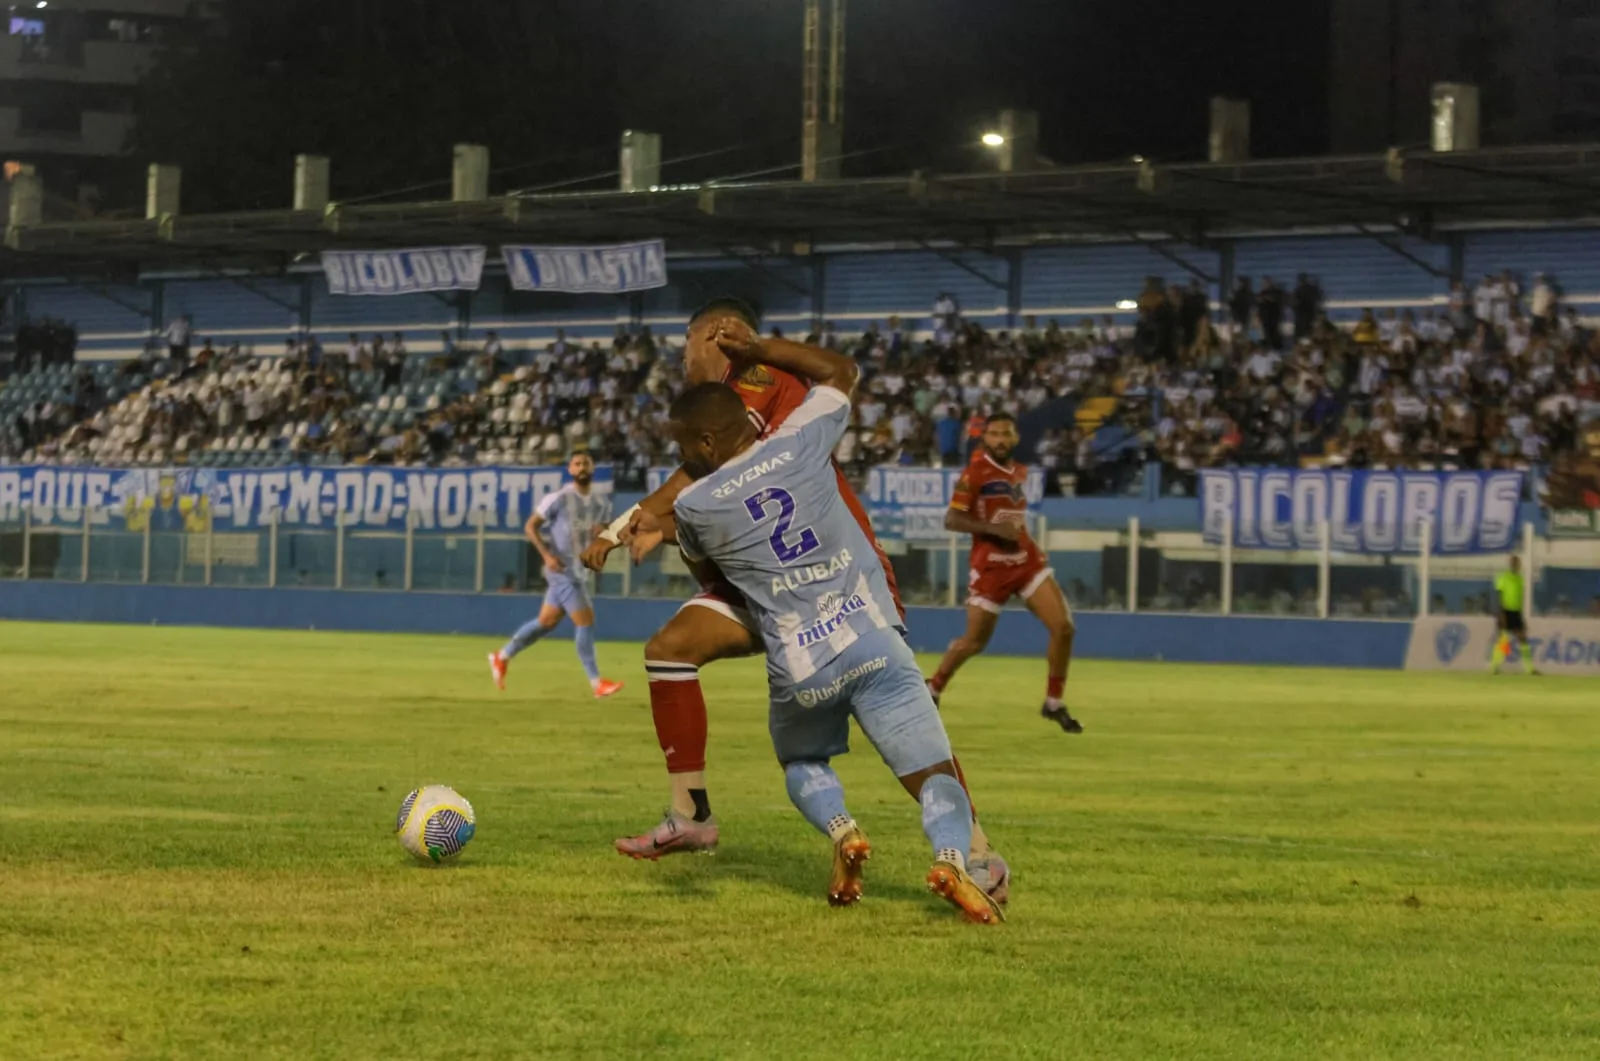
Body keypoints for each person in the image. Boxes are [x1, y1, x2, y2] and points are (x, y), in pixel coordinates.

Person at [583, 298, 1008, 902]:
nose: (681, 360)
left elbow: (700, 479)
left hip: (827, 580)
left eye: (686, 345)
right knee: (670, 651)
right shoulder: (747, 414)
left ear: (714, 334)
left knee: (885, 732)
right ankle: (692, 816)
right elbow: (831, 384)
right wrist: (652, 523)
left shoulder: (754, 379)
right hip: (771, 581)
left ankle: (977, 851)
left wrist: (626, 525)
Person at [926, 413, 1083, 732]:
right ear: (985, 438)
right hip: (990, 568)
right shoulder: (975, 473)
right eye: (994, 434)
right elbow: (952, 520)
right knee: (973, 642)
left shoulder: (1018, 471)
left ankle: (1053, 702)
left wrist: (1028, 542)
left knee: (1064, 627)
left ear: (1015, 438)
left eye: (1005, 434)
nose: (1000, 439)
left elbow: (1012, 519)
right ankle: (934, 688)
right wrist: (992, 529)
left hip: (1026, 562)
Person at [488, 451, 624, 698]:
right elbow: (530, 526)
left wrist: (602, 537)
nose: (581, 467)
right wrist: (547, 556)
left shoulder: (601, 503)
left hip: (580, 571)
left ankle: (502, 656)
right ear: (570, 470)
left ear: (592, 468)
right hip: (562, 570)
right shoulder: (558, 498)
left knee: (546, 622)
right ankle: (597, 684)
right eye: (576, 463)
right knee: (586, 621)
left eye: (586, 463)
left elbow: (603, 534)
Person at [1489, 554, 1538, 676]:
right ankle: (1494, 666)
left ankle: (1530, 668)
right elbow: (1499, 594)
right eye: (1514, 562)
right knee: (1504, 640)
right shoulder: (1503, 577)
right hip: (1505, 610)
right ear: (1510, 564)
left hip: (1516, 612)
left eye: (1517, 563)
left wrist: (1521, 615)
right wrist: (1501, 613)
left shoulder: (1520, 579)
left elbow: (1519, 598)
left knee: (1522, 639)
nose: (1516, 565)